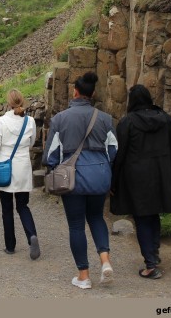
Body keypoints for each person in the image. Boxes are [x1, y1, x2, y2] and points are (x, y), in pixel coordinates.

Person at [43, 72, 117, 290]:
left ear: (75, 91)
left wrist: (56, 169)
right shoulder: (105, 119)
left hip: (72, 179)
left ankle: (84, 276)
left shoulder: (60, 119)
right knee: (97, 218)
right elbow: (113, 150)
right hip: (99, 177)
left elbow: (50, 156)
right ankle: (105, 261)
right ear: (92, 93)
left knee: (76, 226)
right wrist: (103, 167)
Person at [110, 84, 171, 280]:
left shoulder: (127, 123)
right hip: (162, 175)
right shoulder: (165, 119)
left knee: (142, 217)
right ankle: (153, 253)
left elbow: (119, 155)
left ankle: (151, 264)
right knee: (153, 215)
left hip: (136, 178)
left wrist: (112, 180)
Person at [0, 89, 41, 260]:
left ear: (9, 103)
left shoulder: (2, 121)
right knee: (23, 206)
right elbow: (31, 143)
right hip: (23, 167)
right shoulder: (30, 121)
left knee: (7, 209)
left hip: (6, 168)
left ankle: (10, 246)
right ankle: (31, 235)